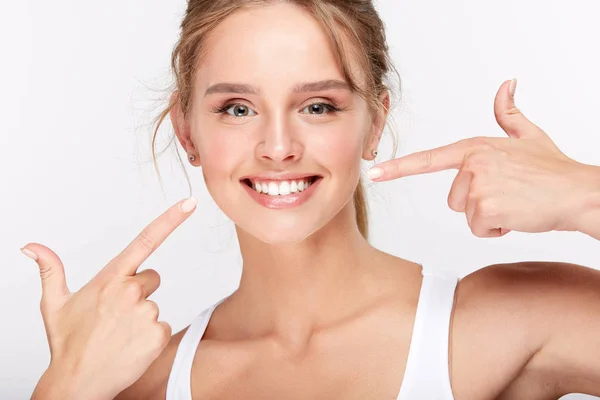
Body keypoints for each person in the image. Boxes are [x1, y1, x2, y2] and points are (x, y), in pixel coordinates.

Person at [22, 1, 600, 399]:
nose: (277, 147)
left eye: (318, 105)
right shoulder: (136, 383)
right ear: (186, 130)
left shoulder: (510, 322)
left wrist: (586, 195)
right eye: (237, 109)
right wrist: (63, 388)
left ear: (375, 123)